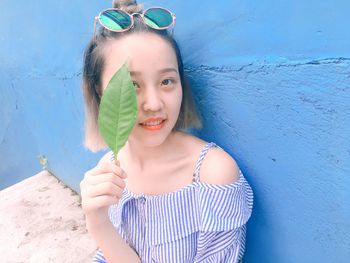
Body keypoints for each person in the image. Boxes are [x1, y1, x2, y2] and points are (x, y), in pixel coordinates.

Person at [79, 0, 254, 262]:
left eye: (166, 81)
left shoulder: (212, 175)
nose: (154, 104)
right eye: (130, 85)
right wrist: (98, 223)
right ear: (100, 93)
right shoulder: (110, 169)